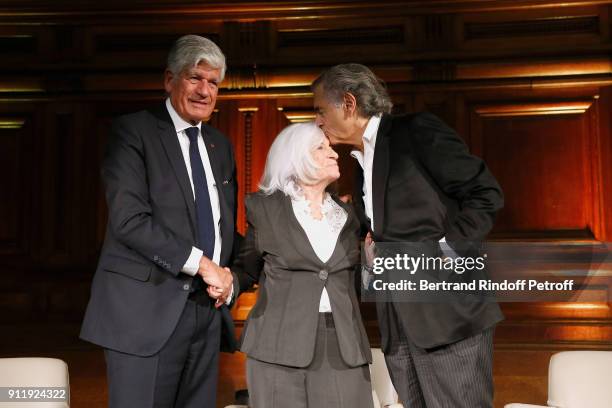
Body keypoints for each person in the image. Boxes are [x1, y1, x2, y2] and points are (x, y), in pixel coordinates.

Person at [312, 63, 505, 408]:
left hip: (449, 316)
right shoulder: (359, 163)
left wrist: (446, 252)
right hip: (398, 322)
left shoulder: (415, 131)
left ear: (349, 103)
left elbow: (485, 193)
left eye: (321, 110)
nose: (318, 121)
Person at [80, 35, 239, 408]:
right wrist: (203, 265)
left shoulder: (220, 144)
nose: (205, 91)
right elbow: (130, 220)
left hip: (206, 313)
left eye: (213, 82)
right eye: (195, 78)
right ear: (170, 80)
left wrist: (231, 275)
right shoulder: (133, 131)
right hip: (145, 314)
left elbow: (223, 227)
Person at [233, 121, 374, 408]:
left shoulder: (349, 217)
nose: (334, 154)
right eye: (321, 148)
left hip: (342, 345)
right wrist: (225, 283)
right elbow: (246, 270)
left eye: (331, 147)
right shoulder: (266, 210)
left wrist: (370, 263)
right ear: (296, 158)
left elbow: (357, 284)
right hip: (277, 347)